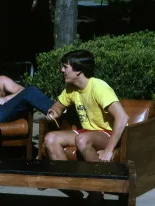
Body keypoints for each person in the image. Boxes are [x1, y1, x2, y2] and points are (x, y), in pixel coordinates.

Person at [44, 50, 129, 202]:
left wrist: (109, 150)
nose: (62, 70)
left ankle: (97, 189)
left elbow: (122, 117)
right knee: (50, 138)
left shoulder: (99, 87)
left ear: (78, 70)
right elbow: (58, 106)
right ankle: (71, 186)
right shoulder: (71, 88)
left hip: (108, 132)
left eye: (65, 67)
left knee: (82, 140)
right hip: (87, 131)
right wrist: (54, 112)